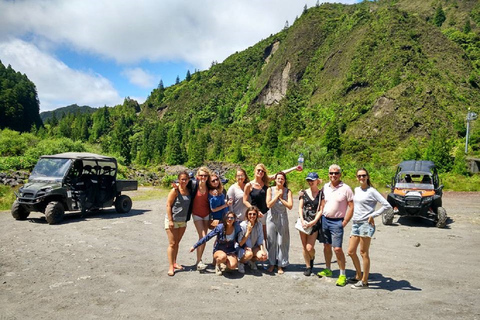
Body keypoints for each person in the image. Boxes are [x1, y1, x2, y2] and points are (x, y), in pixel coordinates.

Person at [347, 168, 392, 289]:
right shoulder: (356, 190)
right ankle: (358, 275)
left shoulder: (372, 191)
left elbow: (387, 205)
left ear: (367, 176)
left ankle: (364, 281)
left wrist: (373, 215)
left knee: (363, 253)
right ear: (357, 177)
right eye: (359, 176)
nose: (361, 178)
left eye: (363, 175)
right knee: (351, 251)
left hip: (366, 225)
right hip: (356, 223)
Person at [317, 164, 354, 287]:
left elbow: (351, 206)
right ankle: (328, 269)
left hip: (337, 221)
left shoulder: (346, 188)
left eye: (336, 173)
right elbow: (322, 203)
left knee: (337, 249)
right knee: (326, 246)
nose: (333, 175)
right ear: (328, 174)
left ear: (340, 174)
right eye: (331, 173)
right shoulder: (325, 187)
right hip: (325, 220)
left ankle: (342, 274)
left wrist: (344, 222)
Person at [243, 164, 301, 240]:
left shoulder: (266, 181)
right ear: (255, 171)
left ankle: (267, 252)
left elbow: (280, 174)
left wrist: (294, 168)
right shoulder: (249, 185)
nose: (260, 172)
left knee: (267, 237)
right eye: (259, 170)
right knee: (252, 237)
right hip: (254, 214)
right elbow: (244, 200)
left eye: (262, 171)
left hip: (266, 214)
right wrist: (255, 210)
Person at [190, 212, 243, 276]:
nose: (229, 219)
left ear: (234, 219)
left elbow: (240, 241)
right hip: (219, 250)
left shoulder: (237, 228)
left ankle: (224, 264)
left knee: (233, 266)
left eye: (232, 218)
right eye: (227, 217)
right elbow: (207, 237)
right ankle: (217, 265)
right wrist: (195, 246)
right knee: (222, 257)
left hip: (230, 251)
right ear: (225, 219)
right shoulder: (220, 227)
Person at [266, 172, 293, 274]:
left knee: (282, 242)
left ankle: (281, 264)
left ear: (284, 180)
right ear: (275, 180)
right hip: (271, 216)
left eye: (282, 179)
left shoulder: (288, 191)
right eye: (278, 179)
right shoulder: (270, 189)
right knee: (271, 241)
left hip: (282, 217)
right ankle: (272, 263)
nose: (280, 180)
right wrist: (276, 195)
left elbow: (290, 206)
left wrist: (281, 198)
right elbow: (268, 204)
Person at [298, 172, 325, 276]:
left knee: (310, 247)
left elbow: (321, 209)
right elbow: (300, 207)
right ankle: (308, 266)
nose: (310, 182)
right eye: (308, 180)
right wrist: (302, 220)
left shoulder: (321, 194)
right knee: (304, 246)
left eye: (312, 180)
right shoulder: (303, 193)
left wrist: (314, 222)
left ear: (317, 181)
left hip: (314, 223)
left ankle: (312, 257)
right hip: (303, 222)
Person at [165, 171, 191, 276]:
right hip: (173, 220)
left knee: (177, 243)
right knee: (172, 244)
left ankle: (175, 262)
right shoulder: (175, 191)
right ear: (179, 180)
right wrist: (170, 220)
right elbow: (168, 205)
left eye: (186, 179)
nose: (184, 181)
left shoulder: (189, 190)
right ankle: (171, 266)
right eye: (182, 179)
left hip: (183, 221)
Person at [188, 167, 212, 272]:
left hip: (207, 214)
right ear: (197, 176)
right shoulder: (193, 185)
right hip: (196, 214)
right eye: (201, 175)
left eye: (205, 176)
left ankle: (200, 260)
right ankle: (198, 261)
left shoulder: (209, 187)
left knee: (204, 238)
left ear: (208, 177)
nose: (203, 177)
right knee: (203, 236)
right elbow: (182, 186)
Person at [237, 206, 268, 272]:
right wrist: (248, 232)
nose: (252, 216)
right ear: (247, 215)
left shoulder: (259, 225)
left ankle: (251, 261)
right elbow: (240, 243)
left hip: (253, 247)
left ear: (257, 215)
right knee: (249, 254)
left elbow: (260, 239)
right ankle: (240, 263)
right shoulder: (242, 225)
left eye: (254, 214)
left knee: (262, 256)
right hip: (243, 248)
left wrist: (262, 250)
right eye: (250, 214)